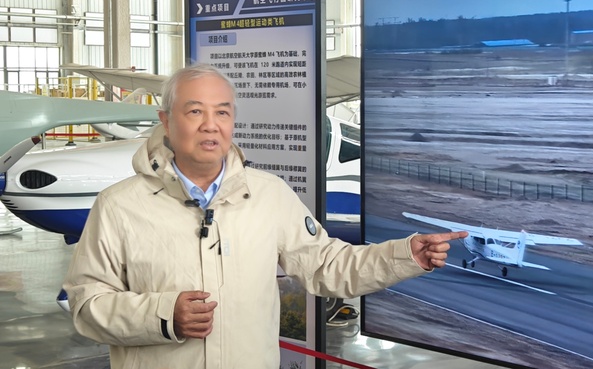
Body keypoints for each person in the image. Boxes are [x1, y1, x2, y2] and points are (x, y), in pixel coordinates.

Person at [62, 63, 467, 369]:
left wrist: (404, 255)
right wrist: (163, 316)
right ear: (166, 121)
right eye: (195, 112)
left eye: (222, 113)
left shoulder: (268, 194)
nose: (211, 126)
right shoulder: (119, 206)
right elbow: (86, 306)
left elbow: (326, 265)